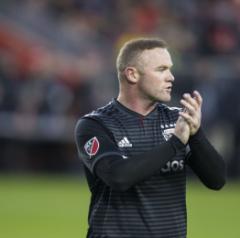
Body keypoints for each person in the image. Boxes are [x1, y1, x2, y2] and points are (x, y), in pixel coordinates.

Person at [74, 38, 226, 238]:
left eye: (170, 69)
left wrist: (196, 134)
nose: (171, 77)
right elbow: (118, 177)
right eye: (161, 69)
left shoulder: (177, 120)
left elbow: (217, 180)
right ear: (132, 74)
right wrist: (175, 143)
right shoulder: (95, 124)